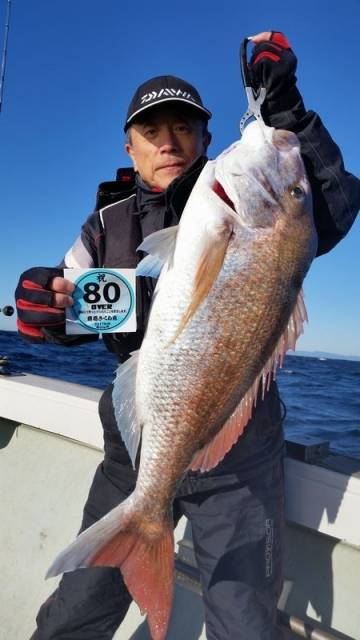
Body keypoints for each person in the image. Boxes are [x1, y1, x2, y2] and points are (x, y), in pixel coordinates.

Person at [16, 31, 359, 640]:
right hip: (135, 451)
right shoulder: (105, 226)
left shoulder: (246, 202)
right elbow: (70, 304)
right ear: (130, 145)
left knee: (246, 621)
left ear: (205, 139)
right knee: (75, 613)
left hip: (241, 462)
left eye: (184, 128)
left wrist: (289, 111)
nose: (169, 142)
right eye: (153, 132)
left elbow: (329, 204)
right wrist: (45, 306)